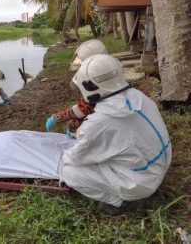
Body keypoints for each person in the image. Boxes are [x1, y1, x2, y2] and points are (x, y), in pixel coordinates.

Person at [58, 54, 172, 215]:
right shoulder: (139, 96)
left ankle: (118, 202)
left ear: (89, 87)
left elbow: (75, 158)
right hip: (162, 163)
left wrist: (72, 147)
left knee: (69, 172)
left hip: (142, 183)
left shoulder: (99, 122)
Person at [46, 39, 108, 138]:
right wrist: (73, 125)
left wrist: (56, 118)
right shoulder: (105, 74)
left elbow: (84, 108)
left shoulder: (100, 83)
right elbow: (86, 108)